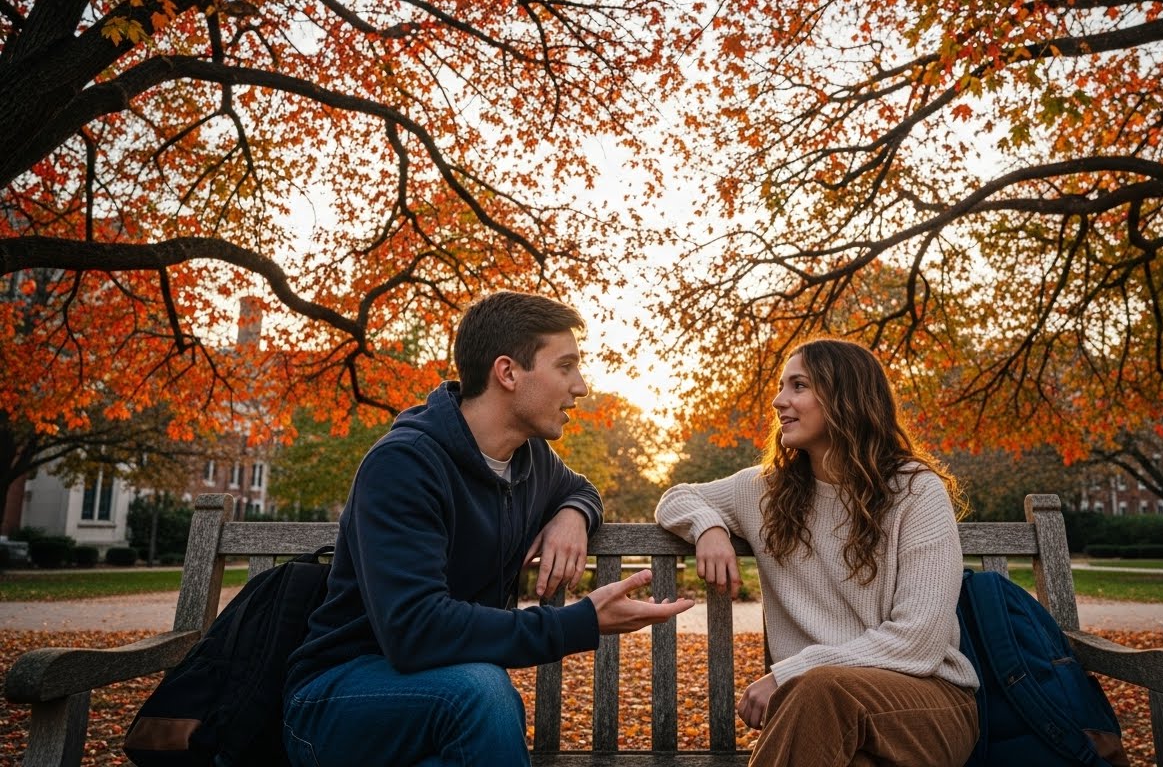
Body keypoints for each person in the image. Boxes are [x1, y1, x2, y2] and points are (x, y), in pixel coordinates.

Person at [283, 290, 693, 767]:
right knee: (481, 690)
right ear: (508, 372)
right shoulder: (404, 464)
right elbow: (417, 632)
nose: (580, 386)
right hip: (339, 696)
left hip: (444, 705)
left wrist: (573, 514)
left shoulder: (531, 460)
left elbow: (582, 489)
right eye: (565, 367)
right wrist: (579, 621)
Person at [655, 338, 979, 766]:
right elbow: (676, 498)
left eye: (798, 386)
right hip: (818, 715)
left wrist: (793, 672)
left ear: (846, 398)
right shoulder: (766, 490)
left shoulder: (915, 491)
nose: (778, 400)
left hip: (926, 703)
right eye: (782, 386)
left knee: (821, 688)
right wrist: (709, 526)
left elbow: (917, 642)